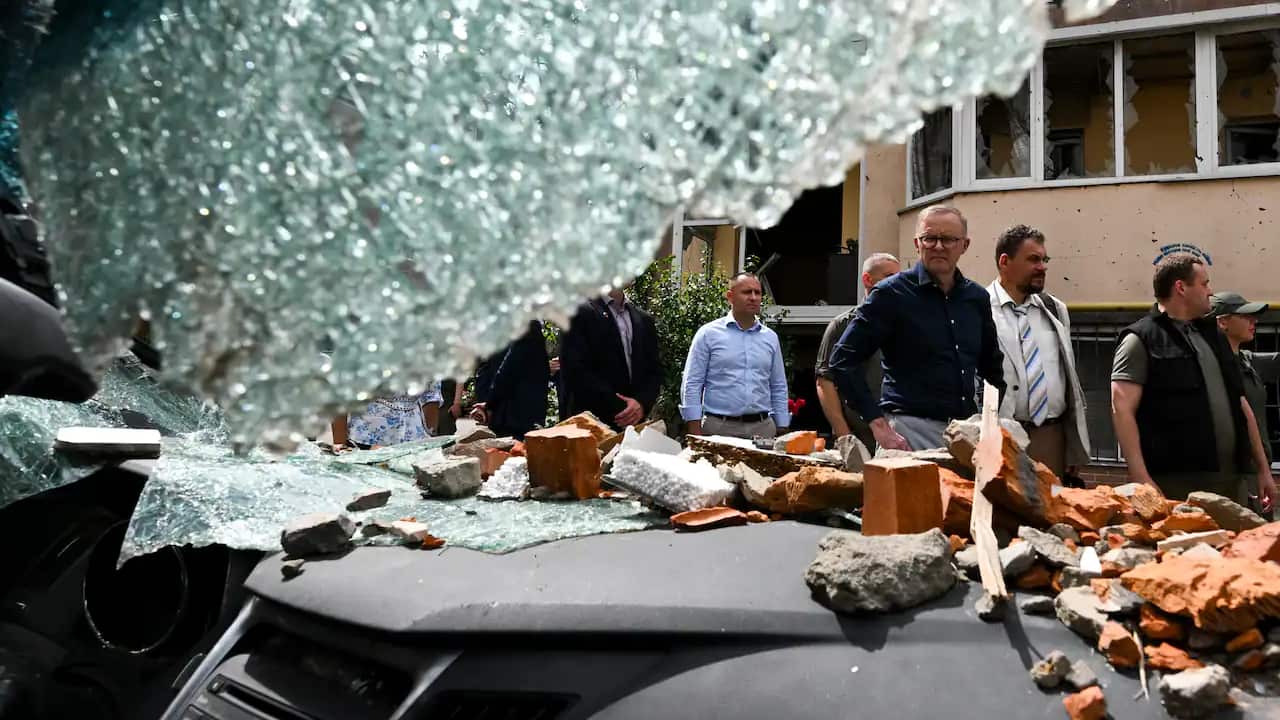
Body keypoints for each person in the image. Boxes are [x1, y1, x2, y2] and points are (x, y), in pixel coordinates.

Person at [829, 205, 1005, 451]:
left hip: (965, 435)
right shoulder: (891, 294)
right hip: (908, 435)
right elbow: (842, 361)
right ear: (917, 243)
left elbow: (993, 370)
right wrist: (878, 425)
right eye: (930, 238)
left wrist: (988, 422)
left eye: (948, 239)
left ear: (964, 245)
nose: (938, 246)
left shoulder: (976, 298)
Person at [1111, 254, 1276, 510]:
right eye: (1204, 284)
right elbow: (1121, 410)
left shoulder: (1215, 337)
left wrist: (1263, 470)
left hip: (1231, 484)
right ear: (1181, 287)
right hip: (1175, 487)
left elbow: (1241, 404)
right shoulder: (1141, 339)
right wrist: (1141, 478)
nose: (1210, 291)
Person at [986, 224, 1091, 478]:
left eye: (1044, 259)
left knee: (1053, 513)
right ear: (1004, 261)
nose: (1042, 267)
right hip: (1002, 438)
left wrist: (1072, 444)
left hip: (1052, 438)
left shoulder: (1055, 309)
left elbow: (1068, 379)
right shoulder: (979, 308)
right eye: (1033, 259)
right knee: (1006, 514)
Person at [680, 272, 790, 439]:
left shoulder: (770, 338)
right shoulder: (708, 334)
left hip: (762, 428)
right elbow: (692, 382)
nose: (753, 297)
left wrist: (782, 425)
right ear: (730, 296)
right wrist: (694, 427)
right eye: (746, 292)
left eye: (757, 292)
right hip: (718, 428)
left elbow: (778, 384)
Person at [814, 252, 900, 451]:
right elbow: (825, 382)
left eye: (900, 278)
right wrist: (844, 435)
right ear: (867, 280)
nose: (897, 284)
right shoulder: (842, 326)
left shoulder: (907, 323)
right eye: (889, 277)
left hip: (901, 433)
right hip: (861, 436)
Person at [560, 287, 661, 430]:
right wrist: (622, 407)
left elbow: (654, 371)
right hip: (589, 427)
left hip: (633, 426)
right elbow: (575, 371)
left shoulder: (643, 319)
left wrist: (641, 404)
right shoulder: (577, 312)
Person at [1211, 291, 1280, 484]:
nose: (1254, 321)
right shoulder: (1210, 365)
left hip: (1256, 469)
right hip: (1231, 473)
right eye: (1245, 316)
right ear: (1222, 322)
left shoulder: (1247, 360)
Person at [471, 320, 551, 439]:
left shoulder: (523, 330)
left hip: (514, 415)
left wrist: (488, 404)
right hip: (530, 412)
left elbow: (505, 372)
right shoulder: (533, 332)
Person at [331, 381, 443, 449]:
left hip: (415, 440)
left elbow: (431, 396)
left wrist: (430, 438)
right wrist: (341, 446)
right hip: (365, 440)